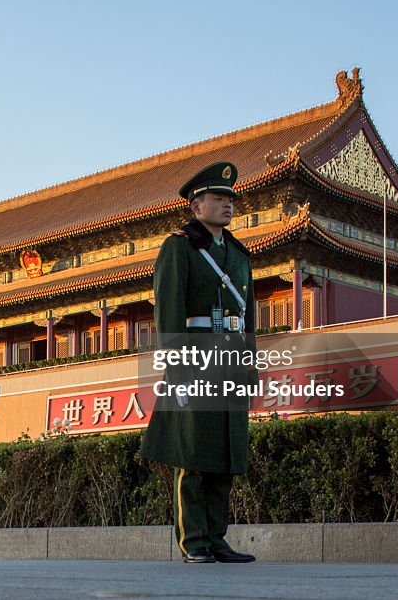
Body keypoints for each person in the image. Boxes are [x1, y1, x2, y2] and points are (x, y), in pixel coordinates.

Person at [139, 161, 257, 563]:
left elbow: (248, 319)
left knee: (225, 452)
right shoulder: (180, 247)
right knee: (193, 454)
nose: (227, 205)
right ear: (196, 205)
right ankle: (194, 541)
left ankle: (217, 537)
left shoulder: (240, 255)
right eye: (218, 198)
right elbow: (168, 310)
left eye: (230, 199)